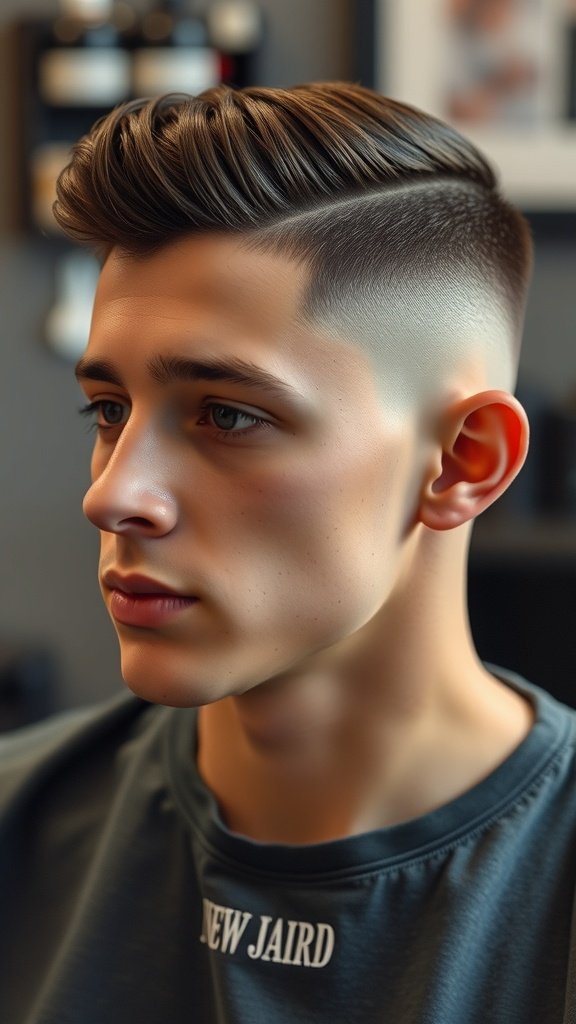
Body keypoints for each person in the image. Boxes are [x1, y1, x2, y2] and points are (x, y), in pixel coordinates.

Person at [0, 81, 573, 1024]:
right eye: (109, 410)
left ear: (463, 462)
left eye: (227, 416)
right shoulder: (18, 831)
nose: (112, 495)